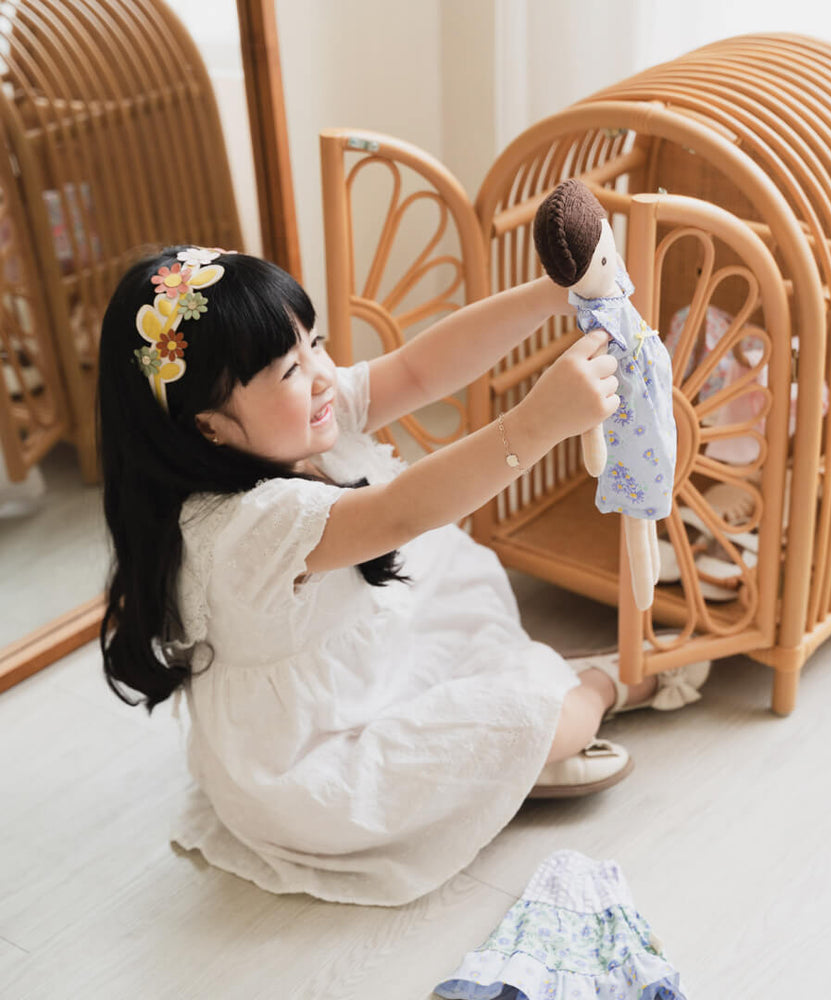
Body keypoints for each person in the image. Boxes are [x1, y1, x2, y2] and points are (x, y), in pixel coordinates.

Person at [98, 246, 707, 906]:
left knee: (469, 621)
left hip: (368, 665)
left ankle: (517, 753)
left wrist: (554, 292)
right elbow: (399, 512)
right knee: (556, 718)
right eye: (289, 370)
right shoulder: (247, 526)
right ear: (210, 427)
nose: (323, 376)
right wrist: (535, 425)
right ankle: (600, 684)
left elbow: (419, 368)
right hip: (318, 768)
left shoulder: (298, 424)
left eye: (317, 344)